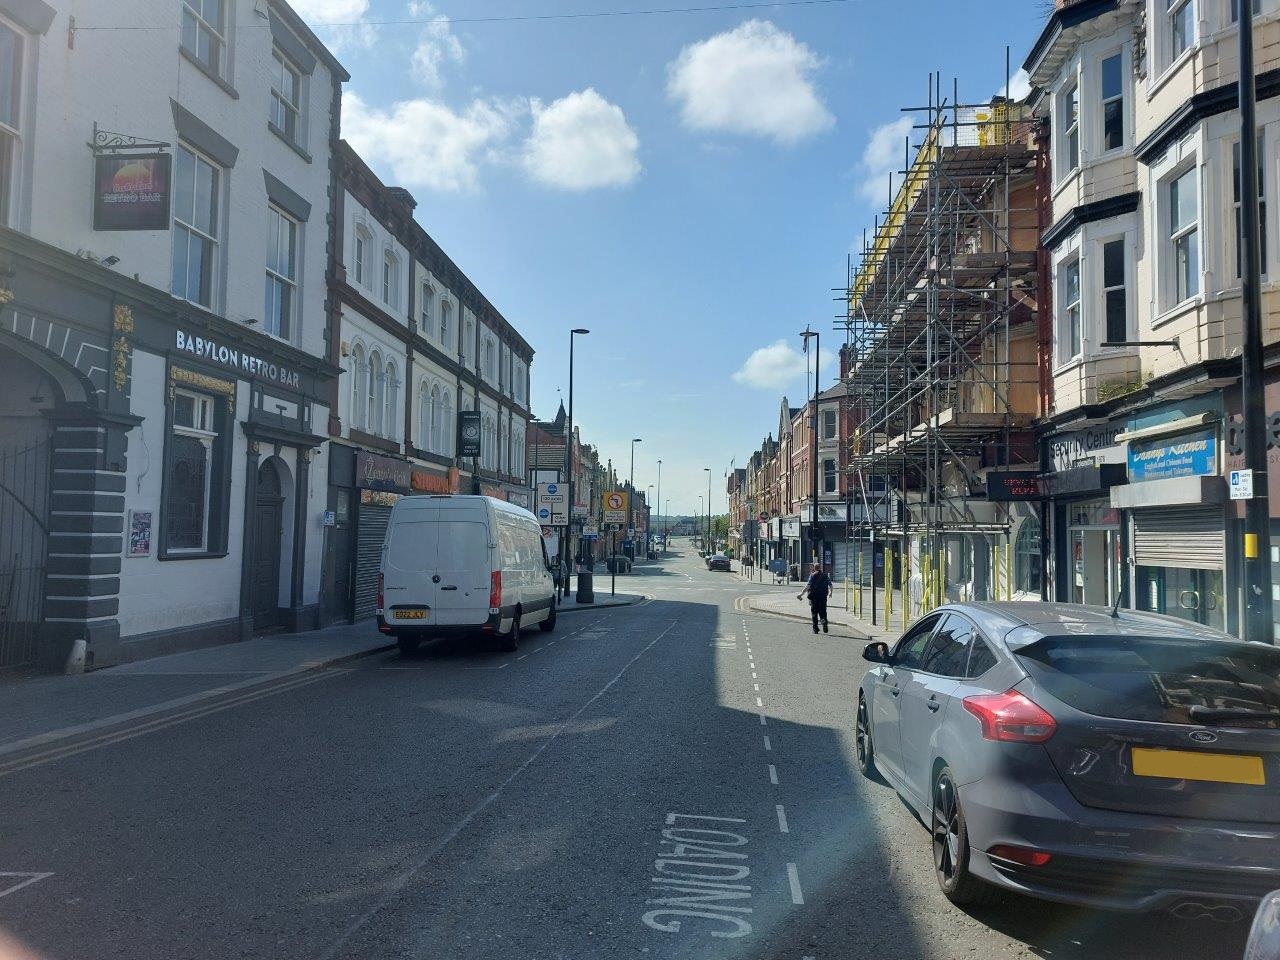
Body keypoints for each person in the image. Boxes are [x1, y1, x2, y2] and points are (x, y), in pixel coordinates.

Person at [798, 564, 833, 634]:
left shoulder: (812, 575)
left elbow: (808, 586)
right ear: (820, 568)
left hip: (814, 597)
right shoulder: (825, 575)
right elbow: (831, 585)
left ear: (814, 568)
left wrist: (801, 594)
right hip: (823, 597)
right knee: (823, 611)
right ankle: (823, 620)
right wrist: (831, 593)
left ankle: (815, 629)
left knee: (814, 613)